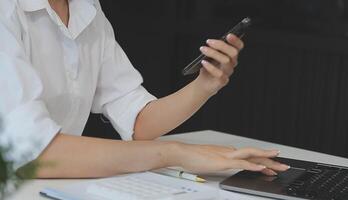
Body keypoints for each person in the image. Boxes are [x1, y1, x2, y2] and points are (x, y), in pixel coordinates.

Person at [0, 0, 289, 178]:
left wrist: (206, 84)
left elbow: (139, 121)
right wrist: (176, 153)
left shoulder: (86, 9)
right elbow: (33, 152)